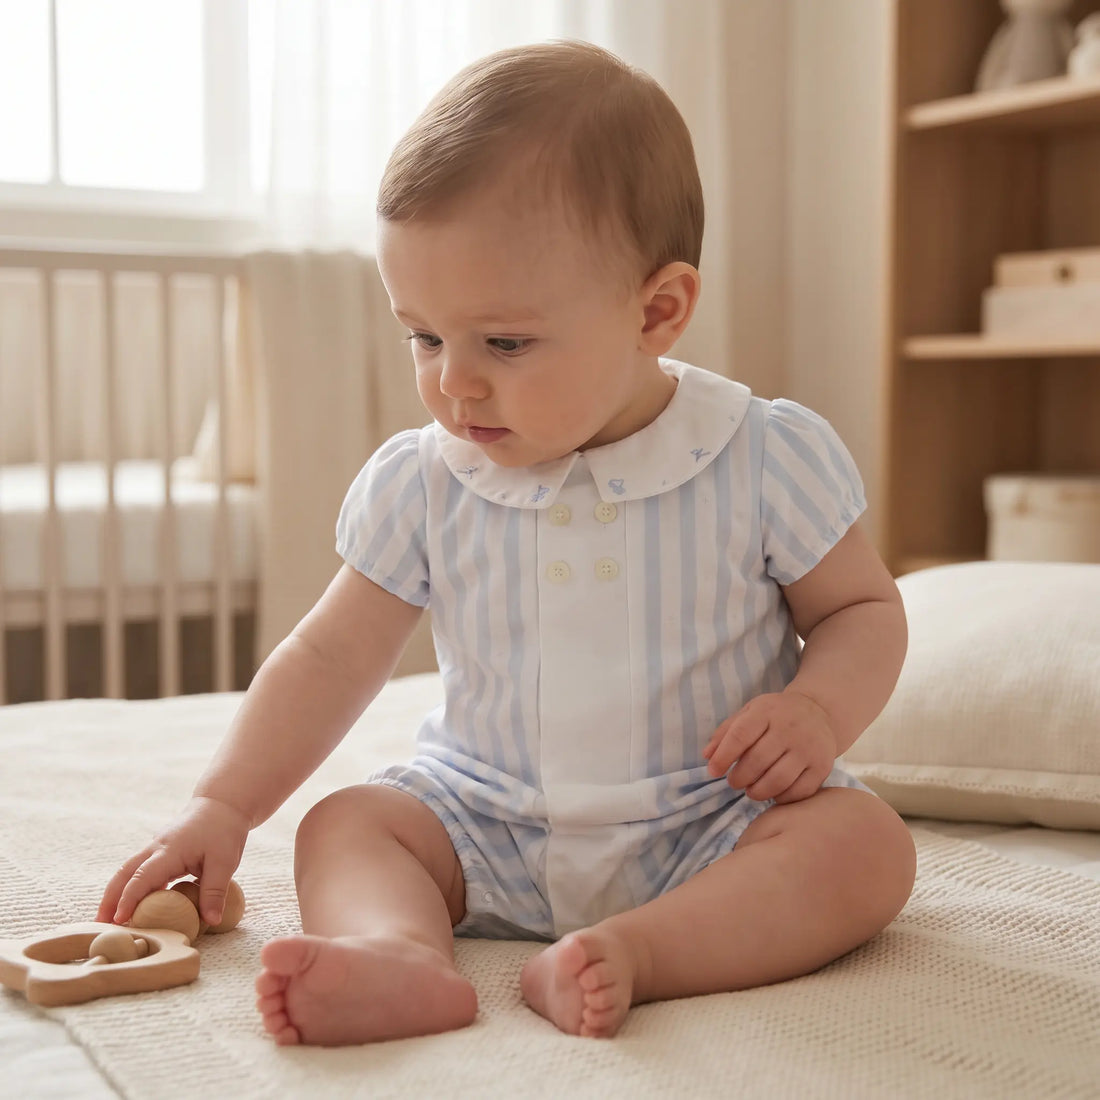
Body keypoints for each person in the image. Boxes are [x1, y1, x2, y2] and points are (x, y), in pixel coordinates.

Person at [98, 40, 916, 1047]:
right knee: (346, 824)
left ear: (655, 311)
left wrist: (814, 709)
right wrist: (222, 804)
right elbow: (328, 655)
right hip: (482, 818)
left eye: (504, 343)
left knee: (863, 846)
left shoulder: (759, 456)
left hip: (709, 818)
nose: (453, 384)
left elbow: (859, 610)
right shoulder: (425, 478)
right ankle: (400, 953)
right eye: (424, 336)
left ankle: (646, 947)